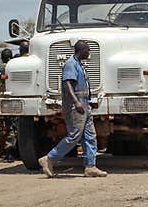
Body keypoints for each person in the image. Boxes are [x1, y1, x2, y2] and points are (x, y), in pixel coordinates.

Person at [38, 41, 107, 178]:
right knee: (75, 135)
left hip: (84, 103)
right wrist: (76, 102)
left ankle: (90, 166)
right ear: (81, 50)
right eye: (88, 50)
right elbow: (68, 83)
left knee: (90, 135)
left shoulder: (79, 64)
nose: (89, 53)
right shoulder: (71, 64)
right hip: (76, 105)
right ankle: (49, 158)